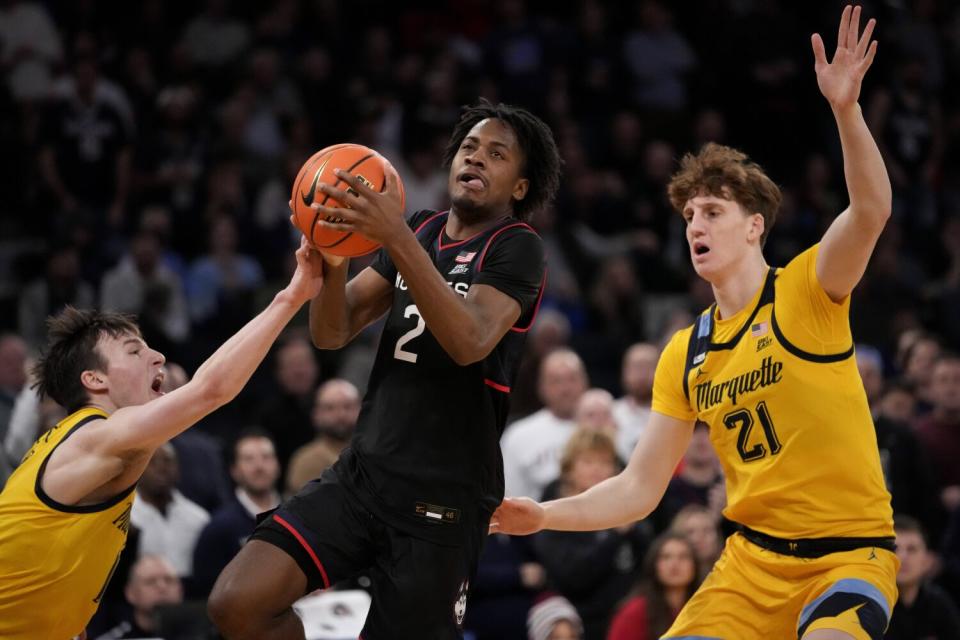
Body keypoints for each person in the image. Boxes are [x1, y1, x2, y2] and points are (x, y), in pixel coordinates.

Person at [492, 8, 899, 639]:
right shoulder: (685, 351)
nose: (696, 226)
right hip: (750, 565)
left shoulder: (807, 290)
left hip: (847, 556)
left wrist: (846, 110)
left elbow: (871, 210)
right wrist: (543, 515)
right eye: (688, 216)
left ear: (754, 225)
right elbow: (639, 488)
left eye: (712, 211)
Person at [208, 99, 561, 640]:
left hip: (443, 496)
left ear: (519, 186)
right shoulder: (421, 229)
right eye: (469, 147)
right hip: (365, 473)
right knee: (238, 603)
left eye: (497, 154)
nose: (477, 158)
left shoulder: (517, 247)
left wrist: (394, 236)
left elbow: (469, 340)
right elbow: (331, 330)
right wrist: (331, 251)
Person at [0, 240, 323, 640]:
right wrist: (293, 296)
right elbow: (211, 390)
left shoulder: (70, 448)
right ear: (95, 380)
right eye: (135, 351)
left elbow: (44, 572)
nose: (158, 357)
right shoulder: (99, 436)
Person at [193, 429, 281, 596]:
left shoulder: (296, 515)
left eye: (266, 457)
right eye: (249, 459)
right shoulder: (219, 527)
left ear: (277, 465)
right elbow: (208, 590)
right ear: (234, 470)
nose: (259, 466)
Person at [502, 349, 589, 499]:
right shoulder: (518, 435)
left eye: (572, 379)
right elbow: (509, 495)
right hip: (538, 518)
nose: (565, 389)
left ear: (585, 381)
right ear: (541, 387)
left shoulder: (609, 422)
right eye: (556, 381)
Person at [606, 532, 700, 640]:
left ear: (695, 565)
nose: (674, 564)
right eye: (666, 557)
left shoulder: (705, 608)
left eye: (683, 557)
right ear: (654, 565)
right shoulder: (635, 612)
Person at [884, 516, 960, 640]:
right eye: (894, 549)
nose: (902, 557)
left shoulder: (940, 606)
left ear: (927, 560)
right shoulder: (870, 605)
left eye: (912, 549)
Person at [285, 378, 360, 495]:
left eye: (347, 406)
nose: (341, 415)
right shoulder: (305, 461)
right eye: (330, 408)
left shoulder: (376, 455)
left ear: (361, 411)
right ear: (316, 414)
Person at [93, 555, 183, 640]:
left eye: (169, 580)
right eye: (150, 581)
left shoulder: (194, 633)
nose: (162, 587)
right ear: (130, 593)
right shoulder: (113, 637)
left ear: (180, 589)